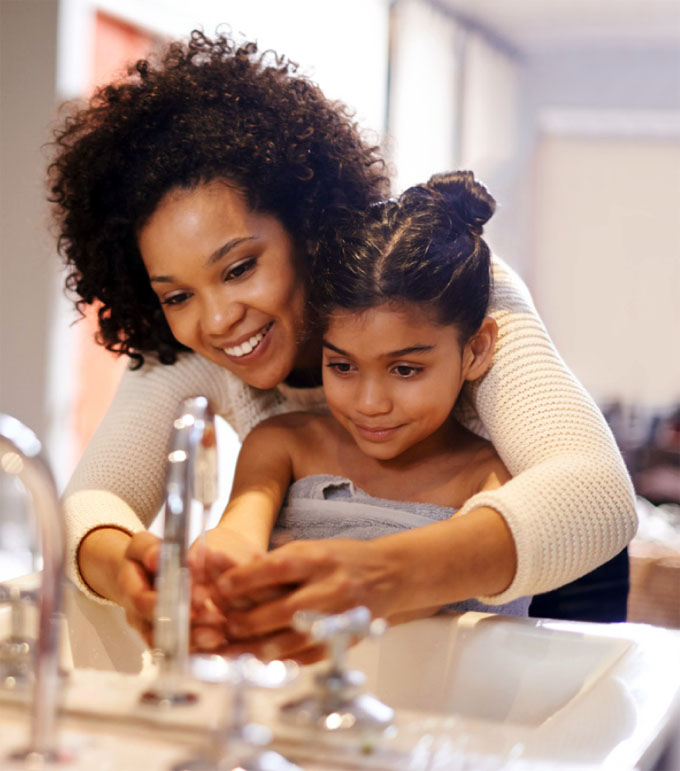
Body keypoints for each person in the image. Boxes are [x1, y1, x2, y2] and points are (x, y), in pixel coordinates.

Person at [48, 31, 636, 654]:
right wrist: (127, 572)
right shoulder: (192, 348)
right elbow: (89, 501)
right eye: (177, 295)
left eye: (241, 267)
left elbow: (596, 493)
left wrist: (381, 573)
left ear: (307, 227)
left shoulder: (441, 287)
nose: (217, 319)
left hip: (550, 572)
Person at [193, 171, 530, 661]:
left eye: (406, 368)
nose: (370, 402)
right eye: (342, 365)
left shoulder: (496, 475)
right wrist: (218, 567)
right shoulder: (283, 445)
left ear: (475, 349)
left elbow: (471, 573)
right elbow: (237, 533)